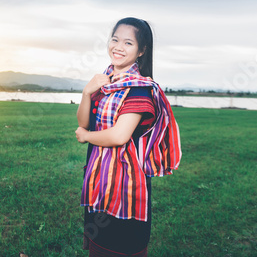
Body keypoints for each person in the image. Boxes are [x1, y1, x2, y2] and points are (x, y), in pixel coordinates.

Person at [75, 17, 182, 256]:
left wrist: (85, 136)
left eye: (128, 43)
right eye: (115, 39)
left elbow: (119, 136)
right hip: (100, 179)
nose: (118, 47)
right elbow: (83, 121)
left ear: (142, 50)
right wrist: (86, 91)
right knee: (99, 248)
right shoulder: (105, 81)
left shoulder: (139, 88)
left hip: (125, 185)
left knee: (119, 248)